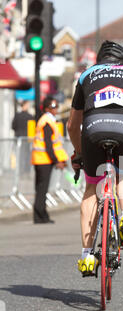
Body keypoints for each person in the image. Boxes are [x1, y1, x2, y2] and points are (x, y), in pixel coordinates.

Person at [67, 40, 123, 275]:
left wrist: (79, 154)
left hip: (93, 130)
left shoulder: (86, 76)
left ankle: (87, 257)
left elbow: (71, 125)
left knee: (91, 187)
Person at [31, 96, 68, 224]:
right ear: (46, 108)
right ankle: (41, 215)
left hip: (42, 159)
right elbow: (48, 144)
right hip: (44, 160)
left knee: (40, 189)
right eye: (53, 107)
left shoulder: (48, 120)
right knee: (42, 189)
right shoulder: (47, 121)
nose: (56, 109)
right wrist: (56, 160)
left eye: (57, 106)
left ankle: (39, 215)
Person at [12, 100, 33, 173]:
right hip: (27, 139)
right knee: (27, 155)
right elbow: (32, 129)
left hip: (18, 139)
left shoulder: (17, 115)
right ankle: (26, 170)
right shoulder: (30, 116)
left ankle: (20, 170)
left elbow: (13, 126)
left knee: (19, 155)